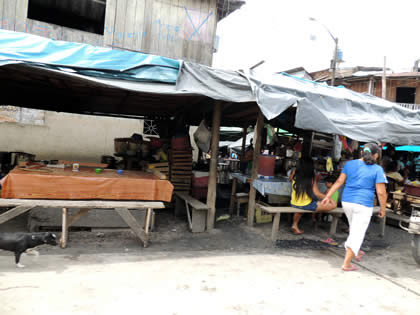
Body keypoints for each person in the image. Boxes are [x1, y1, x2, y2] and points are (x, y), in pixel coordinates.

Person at [322, 143, 387, 271]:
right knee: (357, 233)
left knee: (354, 228)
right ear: (376, 155)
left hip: (347, 202)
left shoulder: (349, 164)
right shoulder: (377, 169)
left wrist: (327, 195)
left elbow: (339, 182)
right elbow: (381, 192)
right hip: (363, 204)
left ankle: (355, 251)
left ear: (362, 153)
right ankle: (346, 264)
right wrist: (383, 209)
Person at [289, 157, 336, 234]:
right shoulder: (311, 177)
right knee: (333, 205)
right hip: (306, 204)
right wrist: (329, 198)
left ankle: (294, 225)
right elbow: (317, 193)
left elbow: (290, 179)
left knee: (301, 206)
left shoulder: (294, 173)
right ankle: (318, 220)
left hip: (294, 203)